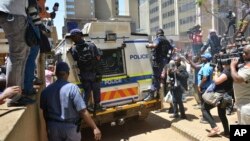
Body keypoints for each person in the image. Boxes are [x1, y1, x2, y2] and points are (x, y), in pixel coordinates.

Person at [40, 62, 101, 141]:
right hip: (70, 129)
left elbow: (44, 112)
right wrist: (95, 127)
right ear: (67, 73)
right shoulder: (72, 88)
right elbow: (82, 111)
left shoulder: (46, 91)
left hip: (53, 128)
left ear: (56, 74)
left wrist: (49, 127)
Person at [0, 0, 36, 107]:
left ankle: (17, 93)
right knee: (18, 54)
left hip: (13, 12)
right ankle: (14, 96)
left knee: (23, 53)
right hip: (13, 13)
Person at [69, 28, 104, 111]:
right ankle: (97, 106)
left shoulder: (74, 49)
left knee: (87, 91)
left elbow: (75, 60)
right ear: (81, 35)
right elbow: (98, 58)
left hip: (84, 74)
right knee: (96, 90)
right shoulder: (91, 45)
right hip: (94, 72)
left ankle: (85, 108)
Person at [202, 64, 232, 137]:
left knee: (204, 108)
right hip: (225, 95)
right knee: (222, 114)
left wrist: (215, 72)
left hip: (219, 96)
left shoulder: (227, 71)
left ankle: (214, 127)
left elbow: (216, 81)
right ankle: (227, 132)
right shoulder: (231, 70)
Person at [144, 28, 173, 101]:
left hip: (158, 62)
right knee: (160, 78)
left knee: (155, 77)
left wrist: (147, 45)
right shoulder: (167, 40)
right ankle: (158, 94)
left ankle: (152, 94)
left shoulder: (158, 39)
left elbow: (154, 45)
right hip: (164, 62)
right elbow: (172, 49)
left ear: (157, 34)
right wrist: (168, 59)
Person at [231, 45, 250, 124]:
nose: (243, 54)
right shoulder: (245, 66)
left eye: (245, 53)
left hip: (246, 106)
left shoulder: (248, 68)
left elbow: (237, 79)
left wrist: (232, 66)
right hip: (242, 104)